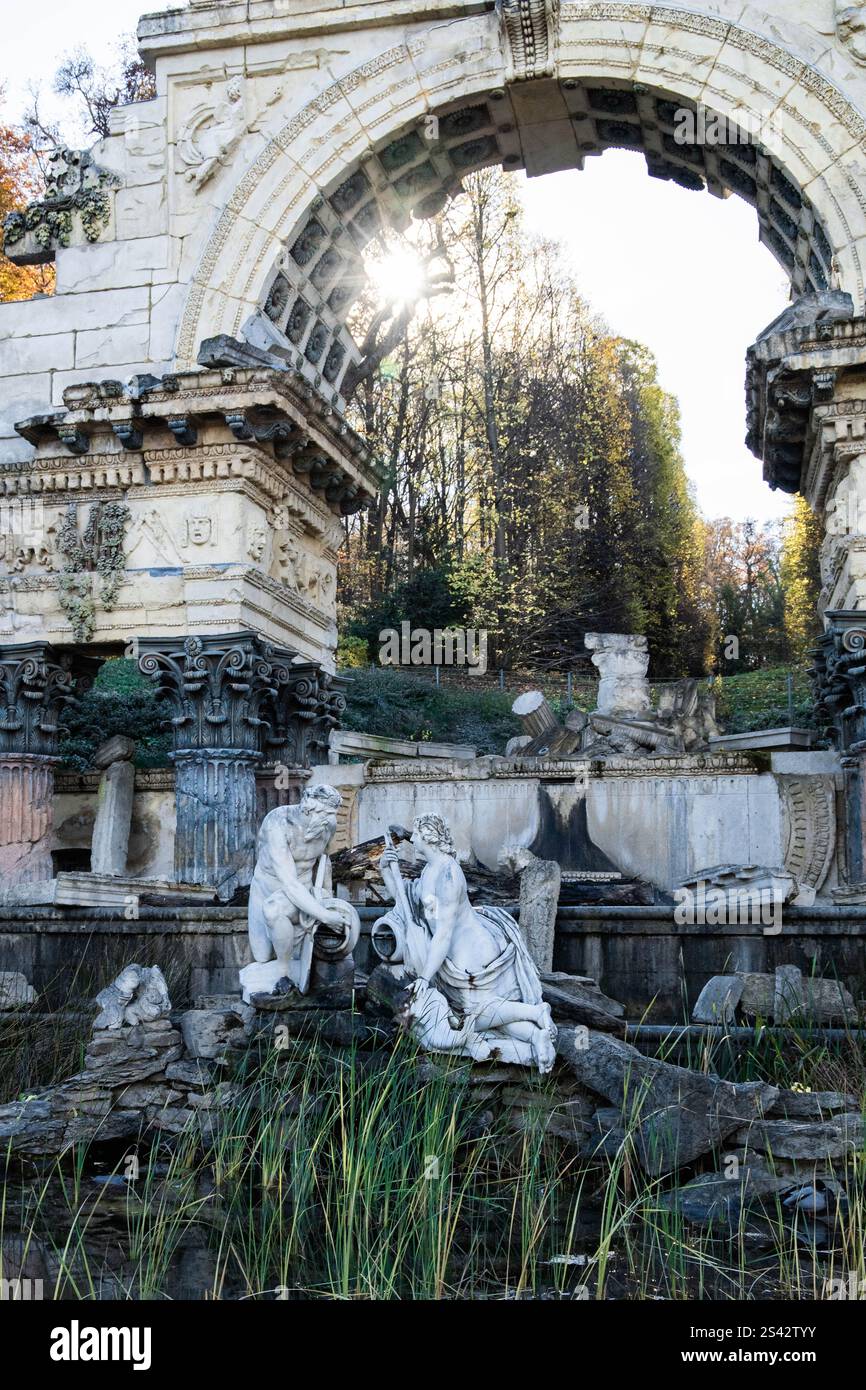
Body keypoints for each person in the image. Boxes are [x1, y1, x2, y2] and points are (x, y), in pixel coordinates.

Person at [378, 813, 557, 1072]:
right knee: (489, 1015)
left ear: (427, 836)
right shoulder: (429, 869)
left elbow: (444, 933)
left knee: (476, 1012)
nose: (412, 838)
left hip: (471, 951)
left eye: (416, 834)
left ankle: (534, 1014)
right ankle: (533, 1033)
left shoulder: (449, 873)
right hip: (450, 957)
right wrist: (386, 869)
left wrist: (425, 978)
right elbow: (404, 902)